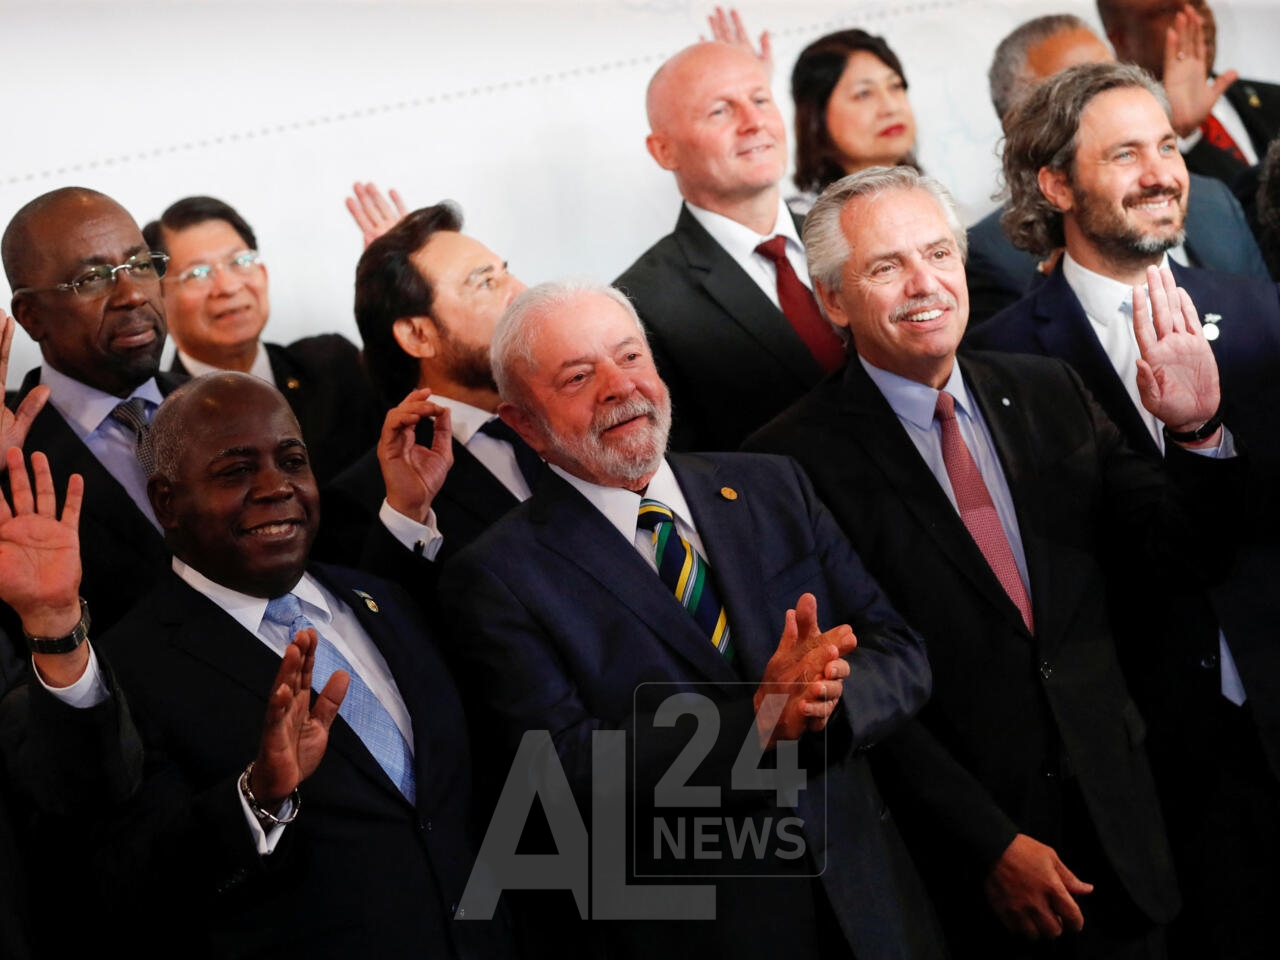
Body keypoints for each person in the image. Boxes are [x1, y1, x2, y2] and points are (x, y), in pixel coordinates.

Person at [744, 165, 1245, 957]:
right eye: (886, 266)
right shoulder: (786, 465)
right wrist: (986, 843)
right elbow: (846, 685)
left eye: (939, 253)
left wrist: (1195, 435)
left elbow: (1180, 559)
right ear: (834, 299)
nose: (924, 284)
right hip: (969, 869)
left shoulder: (1049, 390)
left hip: (1130, 820)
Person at [440, 279, 943, 959]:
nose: (620, 387)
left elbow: (899, 648)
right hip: (706, 925)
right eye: (580, 376)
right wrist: (760, 720)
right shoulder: (497, 575)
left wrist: (826, 704)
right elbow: (562, 769)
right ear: (524, 423)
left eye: (630, 357)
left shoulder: (771, 486)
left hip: (869, 899)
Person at [968, 60, 1280, 959]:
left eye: (1169, 146)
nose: (1161, 172)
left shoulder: (1264, 318)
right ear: (1056, 182)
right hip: (1143, 773)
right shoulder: (997, 368)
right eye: (1125, 153)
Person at [89, 371, 513, 957]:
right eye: (236, 471)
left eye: (291, 461)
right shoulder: (126, 670)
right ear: (167, 502)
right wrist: (259, 795)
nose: (276, 487)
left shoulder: (383, 599)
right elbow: (136, 884)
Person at [614, 41, 846, 452]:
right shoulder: (640, 306)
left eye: (761, 99)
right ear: (663, 150)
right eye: (721, 111)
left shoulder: (850, 234)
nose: (754, 122)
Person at [966, 13, 1269, 324]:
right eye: (1073, 90)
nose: (1107, 98)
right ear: (1019, 126)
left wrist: (1180, 132)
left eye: (1110, 75)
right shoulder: (990, 256)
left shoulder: (1213, 199)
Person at [1, 187, 183, 643]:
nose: (133, 296)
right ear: (30, 315)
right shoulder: (11, 455)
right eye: (94, 278)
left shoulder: (223, 406)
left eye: (140, 266)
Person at [318, 202, 535, 569]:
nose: (522, 292)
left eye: (507, 273)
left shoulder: (573, 403)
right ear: (418, 335)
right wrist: (409, 514)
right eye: (486, 283)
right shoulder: (377, 499)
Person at [143, 196, 381, 483]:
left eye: (241, 261)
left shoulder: (333, 366)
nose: (228, 286)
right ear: (157, 299)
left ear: (263, 274)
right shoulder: (156, 422)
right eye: (199, 273)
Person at [1097, 0, 1280, 189]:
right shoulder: (1114, 142)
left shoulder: (1273, 99)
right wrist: (1184, 136)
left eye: (1198, 3)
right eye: (1168, 10)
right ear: (1120, 39)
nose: (1198, 18)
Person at [789, 28, 917, 213]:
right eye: (864, 94)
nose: (891, 107)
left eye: (895, 86)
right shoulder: (803, 225)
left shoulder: (939, 205)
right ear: (816, 118)